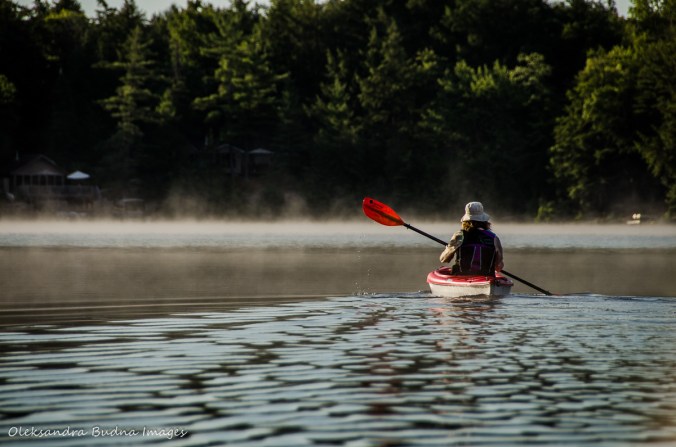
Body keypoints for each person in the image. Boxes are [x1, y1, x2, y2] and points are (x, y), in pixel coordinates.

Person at [439, 201, 504, 275]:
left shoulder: (459, 235)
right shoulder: (494, 238)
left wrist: (449, 248)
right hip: (486, 277)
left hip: (462, 276)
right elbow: (499, 267)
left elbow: (444, 259)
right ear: (484, 221)